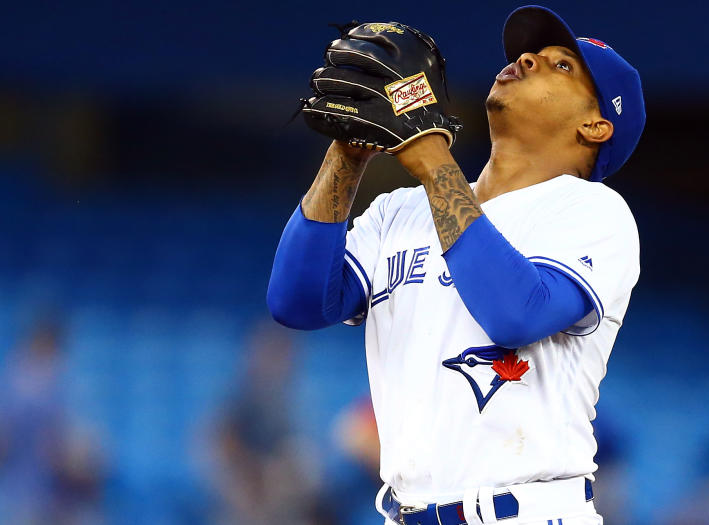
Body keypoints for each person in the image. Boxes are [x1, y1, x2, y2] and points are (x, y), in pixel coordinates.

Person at [267, 5, 645, 524]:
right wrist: (347, 155)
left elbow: (516, 313)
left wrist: (429, 155)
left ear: (596, 126)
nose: (528, 59)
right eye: (528, 53)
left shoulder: (593, 212)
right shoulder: (401, 209)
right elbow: (297, 303)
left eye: (562, 66)